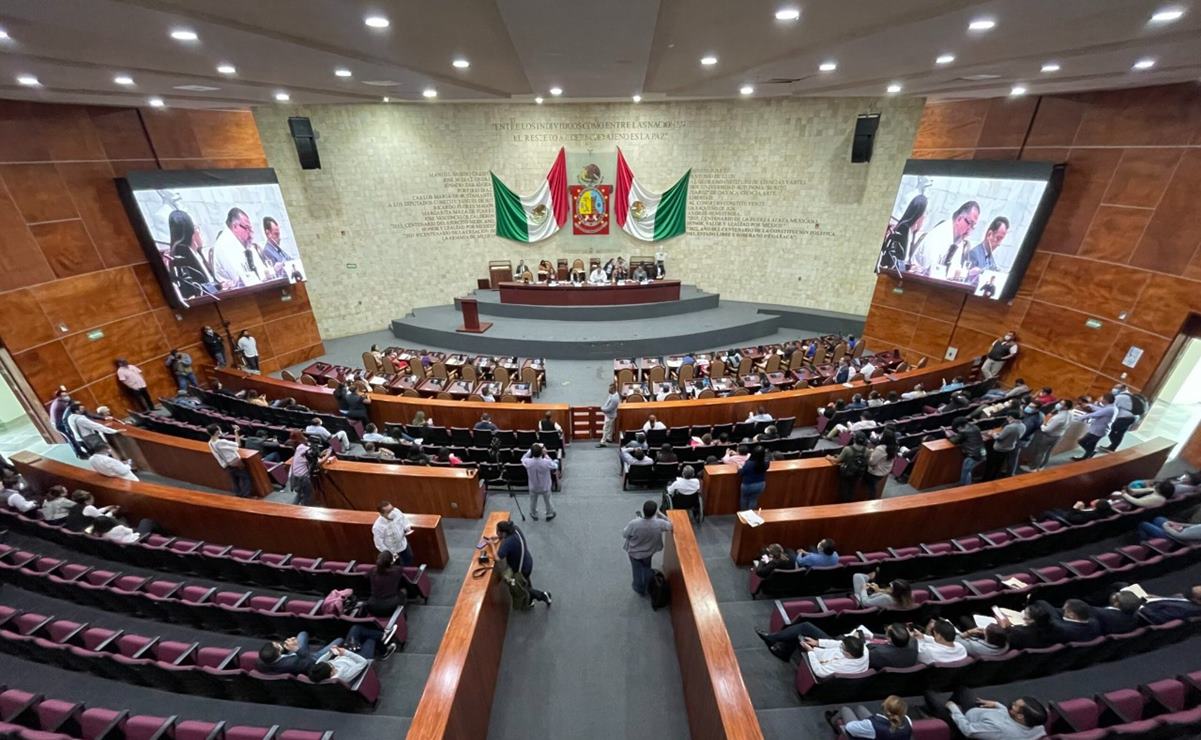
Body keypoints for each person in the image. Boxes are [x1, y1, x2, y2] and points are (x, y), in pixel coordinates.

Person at [924, 689, 1048, 740]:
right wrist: (999, 706)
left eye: (1015, 705)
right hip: (982, 715)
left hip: (965, 724)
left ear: (1020, 716)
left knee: (930, 695)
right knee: (963, 690)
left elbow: (968, 730)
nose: (1012, 704)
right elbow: (1013, 720)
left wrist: (954, 709)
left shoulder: (1000, 729)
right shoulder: (1037, 725)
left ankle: (938, 716)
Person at [910, 200, 980, 278]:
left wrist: (968, 273)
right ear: (959, 219)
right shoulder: (939, 235)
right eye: (969, 223)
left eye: (973, 226)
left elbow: (954, 270)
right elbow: (932, 272)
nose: (969, 230)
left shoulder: (959, 240)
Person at [496, 519, 552, 606]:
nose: (496, 533)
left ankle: (543, 595)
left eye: (497, 532)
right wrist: (498, 538)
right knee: (525, 581)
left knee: (515, 584)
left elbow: (497, 558)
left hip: (520, 569)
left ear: (503, 533)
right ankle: (529, 600)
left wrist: (491, 545)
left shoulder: (508, 542)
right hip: (527, 561)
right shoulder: (515, 529)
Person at [622, 500, 672, 596]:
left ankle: (639, 588)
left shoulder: (634, 523)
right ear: (655, 512)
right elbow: (670, 525)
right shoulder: (660, 523)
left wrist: (637, 520)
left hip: (634, 553)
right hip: (649, 552)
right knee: (646, 567)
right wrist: (661, 514)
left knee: (636, 570)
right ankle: (648, 585)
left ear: (643, 510)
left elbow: (624, 534)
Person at [211, 207, 266, 288]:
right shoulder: (224, 245)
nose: (250, 233)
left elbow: (263, 271)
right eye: (247, 228)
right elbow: (241, 278)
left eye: (250, 229)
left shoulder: (245, 242)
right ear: (235, 226)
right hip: (239, 293)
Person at [878, 194, 927, 278]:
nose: (925, 218)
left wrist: (911, 267)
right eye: (925, 214)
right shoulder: (902, 230)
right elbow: (894, 263)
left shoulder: (911, 232)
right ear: (919, 215)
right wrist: (909, 270)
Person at [831, 695, 913, 740]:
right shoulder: (907, 720)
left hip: (868, 731)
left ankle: (832, 721)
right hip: (877, 732)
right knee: (860, 708)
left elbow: (849, 728)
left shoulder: (873, 725)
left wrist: (863, 724)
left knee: (845, 709)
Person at [1026, 400, 1073, 471]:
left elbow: (1046, 429)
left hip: (1049, 436)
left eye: (1061, 404)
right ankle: (1042, 466)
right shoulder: (1070, 414)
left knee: (1040, 452)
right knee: (1047, 452)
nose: (1058, 404)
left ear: (1066, 407)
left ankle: (1033, 467)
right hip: (1058, 435)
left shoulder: (1059, 417)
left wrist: (1044, 422)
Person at [800, 633, 868, 678]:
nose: (840, 646)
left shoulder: (842, 665)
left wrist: (810, 652)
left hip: (820, 668)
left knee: (804, 627)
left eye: (842, 647)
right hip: (826, 655)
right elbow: (839, 643)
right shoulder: (863, 649)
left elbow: (820, 672)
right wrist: (817, 642)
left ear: (848, 653)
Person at [257, 632, 324, 676]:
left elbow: (278, 651)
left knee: (302, 634)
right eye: (277, 645)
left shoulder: (264, 659)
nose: (278, 643)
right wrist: (296, 649)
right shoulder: (292, 663)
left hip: (292, 657)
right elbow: (310, 661)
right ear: (278, 652)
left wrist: (288, 645)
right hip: (310, 659)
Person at [1074, 393, 1117, 460]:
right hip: (1100, 430)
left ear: (1105, 400)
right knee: (1092, 444)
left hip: (1098, 430)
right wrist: (1090, 405)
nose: (1100, 399)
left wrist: (1080, 417)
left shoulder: (1110, 409)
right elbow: (1101, 410)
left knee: (1082, 442)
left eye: (1102, 398)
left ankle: (1091, 452)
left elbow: (1094, 414)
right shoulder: (1112, 407)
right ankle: (1086, 457)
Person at [830, 432, 869, 503]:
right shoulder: (867, 451)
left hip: (847, 473)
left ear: (854, 439)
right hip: (858, 473)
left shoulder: (847, 449)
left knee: (844, 489)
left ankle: (844, 503)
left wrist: (829, 457)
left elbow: (837, 460)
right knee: (852, 489)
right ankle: (849, 503)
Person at [522, 443, 558, 521]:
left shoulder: (527, 462)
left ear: (532, 453)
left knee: (533, 501)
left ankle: (533, 513)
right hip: (545, 487)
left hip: (533, 487)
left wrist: (530, 450)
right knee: (548, 501)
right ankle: (549, 514)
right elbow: (555, 465)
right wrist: (546, 455)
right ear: (541, 452)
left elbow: (523, 458)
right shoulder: (546, 462)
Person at [364, 551, 406, 618]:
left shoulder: (372, 570)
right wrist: (397, 559)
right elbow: (400, 566)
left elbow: (366, 577)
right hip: (390, 607)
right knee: (404, 591)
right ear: (391, 561)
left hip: (372, 607)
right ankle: (402, 617)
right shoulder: (397, 570)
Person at [985, 410, 1024, 480]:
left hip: (1000, 448)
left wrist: (992, 433)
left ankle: (990, 478)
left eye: (1007, 417)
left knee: (994, 465)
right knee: (1000, 465)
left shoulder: (1009, 427)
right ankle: (995, 477)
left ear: (1011, 417)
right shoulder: (1023, 426)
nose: (1007, 418)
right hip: (1010, 447)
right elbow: (1015, 436)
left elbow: (999, 438)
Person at [372, 501, 414, 566]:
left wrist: (407, 527)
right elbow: (379, 544)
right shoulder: (378, 526)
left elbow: (404, 520)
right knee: (398, 567)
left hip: (403, 544)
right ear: (382, 514)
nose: (393, 512)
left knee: (409, 559)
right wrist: (390, 554)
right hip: (392, 551)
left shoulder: (397, 511)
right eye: (389, 512)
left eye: (392, 509)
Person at [948, 417, 985, 486]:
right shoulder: (975, 427)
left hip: (973, 455)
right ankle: (964, 484)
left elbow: (953, 441)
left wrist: (950, 436)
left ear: (959, 426)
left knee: (967, 472)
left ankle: (965, 487)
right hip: (982, 453)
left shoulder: (963, 432)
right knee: (968, 470)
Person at [1137, 584, 1201, 624]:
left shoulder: (1186, 609)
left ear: (1197, 600)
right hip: (1145, 602)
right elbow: (1163, 600)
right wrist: (1154, 597)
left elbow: (1157, 617)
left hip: (1140, 614)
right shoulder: (1181, 596)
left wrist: (1140, 607)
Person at [1103, 385, 1140, 452]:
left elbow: (1112, 408)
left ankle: (1114, 444)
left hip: (1124, 418)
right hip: (1133, 418)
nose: (1114, 389)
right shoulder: (1131, 396)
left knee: (1111, 429)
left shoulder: (1120, 397)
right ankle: (1112, 448)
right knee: (1120, 433)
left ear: (1122, 389)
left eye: (1116, 388)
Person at [738, 445, 768, 510]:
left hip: (748, 485)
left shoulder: (749, 463)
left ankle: (743, 514)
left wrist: (739, 468)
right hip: (760, 484)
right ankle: (751, 514)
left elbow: (741, 473)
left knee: (744, 499)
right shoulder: (766, 462)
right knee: (753, 500)